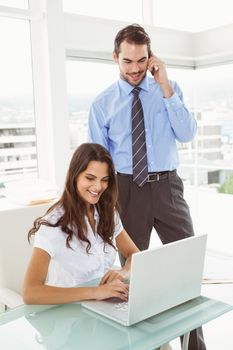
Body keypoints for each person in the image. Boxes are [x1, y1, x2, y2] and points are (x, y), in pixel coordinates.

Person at [88, 24, 206, 350]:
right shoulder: (102, 104)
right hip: (126, 191)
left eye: (142, 60)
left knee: (185, 271)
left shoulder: (169, 89)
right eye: (128, 61)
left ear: (151, 57)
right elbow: (97, 164)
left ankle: (194, 346)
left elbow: (186, 133)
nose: (136, 68)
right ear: (116, 58)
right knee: (133, 277)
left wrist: (166, 86)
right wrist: (102, 207)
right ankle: (145, 345)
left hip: (168, 188)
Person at [23, 143, 139, 305]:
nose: (98, 187)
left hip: (103, 304)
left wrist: (124, 272)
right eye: (90, 178)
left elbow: (134, 254)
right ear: (75, 176)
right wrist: (94, 292)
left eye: (104, 180)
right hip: (66, 312)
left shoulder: (108, 213)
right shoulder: (53, 225)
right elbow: (30, 292)